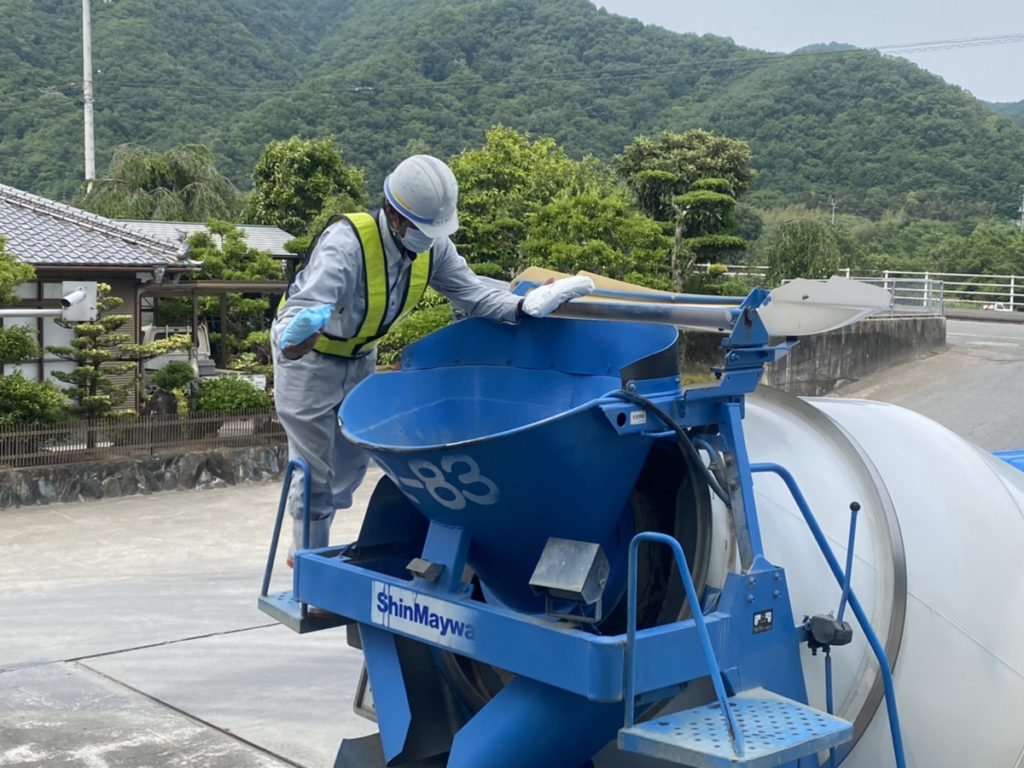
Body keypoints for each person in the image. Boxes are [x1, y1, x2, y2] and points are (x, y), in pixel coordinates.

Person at [271, 154, 593, 568]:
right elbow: (301, 312)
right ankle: (307, 560)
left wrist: (524, 306)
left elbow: (472, 293)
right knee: (314, 467)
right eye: (421, 228)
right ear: (392, 212)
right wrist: (294, 339)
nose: (428, 237)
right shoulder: (346, 244)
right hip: (310, 361)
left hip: (360, 356)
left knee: (351, 460)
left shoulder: (434, 248)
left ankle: (315, 533)